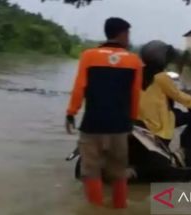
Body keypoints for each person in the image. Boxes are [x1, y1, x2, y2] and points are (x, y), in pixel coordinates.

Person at [65, 17, 142, 208]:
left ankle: (95, 210)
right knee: (119, 173)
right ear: (122, 34)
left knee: (91, 172)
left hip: (92, 126)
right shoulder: (134, 61)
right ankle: (118, 208)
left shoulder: (88, 56)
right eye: (128, 34)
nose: (129, 38)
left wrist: (71, 113)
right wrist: (130, 121)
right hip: (119, 127)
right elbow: (135, 96)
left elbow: (79, 88)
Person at [138, 40, 191, 166]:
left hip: (142, 120)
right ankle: (186, 151)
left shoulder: (139, 72)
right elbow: (180, 97)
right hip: (160, 120)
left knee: (180, 113)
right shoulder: (162, 77)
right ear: (160, 57)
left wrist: (190, 92)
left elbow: (172, 91)